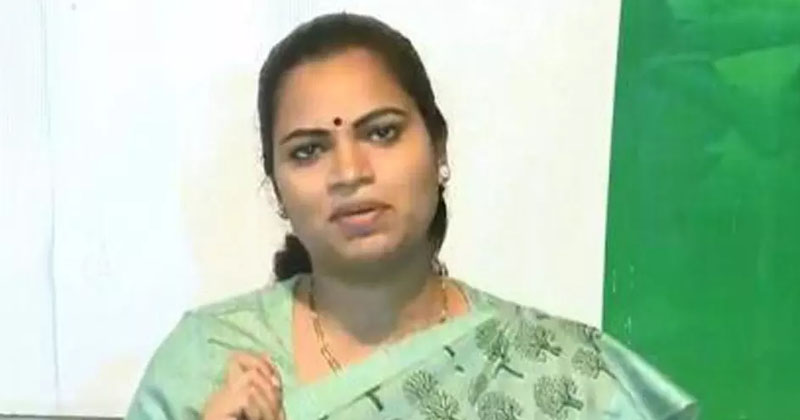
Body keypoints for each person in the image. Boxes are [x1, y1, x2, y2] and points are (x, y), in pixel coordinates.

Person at [126, 12, 697, 420]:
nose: (349, 171)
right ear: (277, 187)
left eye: (381, 133)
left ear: (438, 148)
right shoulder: (208, 362)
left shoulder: (567, 376)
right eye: (308, 150)